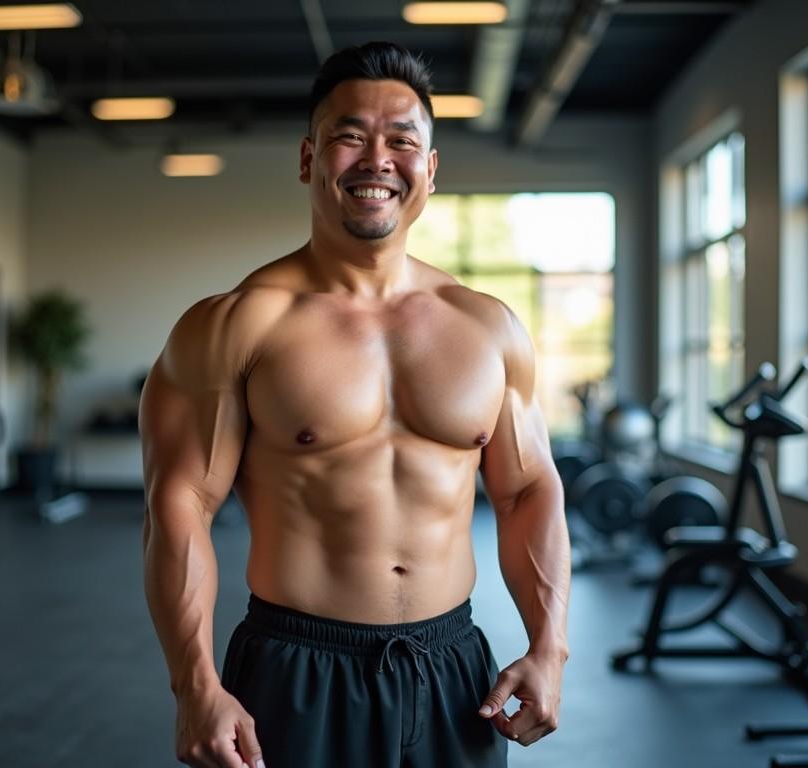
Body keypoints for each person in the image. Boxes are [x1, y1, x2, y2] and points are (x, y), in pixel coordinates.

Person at [139, 41, 570, 768]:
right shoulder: (237, 324)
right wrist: (195, 686)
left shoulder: (488, 327)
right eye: (349, 137)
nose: (377, 159)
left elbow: (528, 488)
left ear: (429, 170)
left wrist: (549, 647)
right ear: (310, 159)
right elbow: (178, 505)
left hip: (453, 669)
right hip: (296, 669)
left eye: (402, 141)